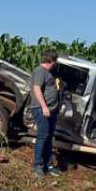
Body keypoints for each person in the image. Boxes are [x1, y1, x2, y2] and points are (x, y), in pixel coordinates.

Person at [30, 50, 61, 178]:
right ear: (51, 61)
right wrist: (44, 107)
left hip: (51, 110)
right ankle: (38, 166)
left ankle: (48, 165)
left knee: (48, 137)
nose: (55, 64)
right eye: (55, 62)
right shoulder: (39, 71)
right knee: (42, 136)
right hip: (41, 109)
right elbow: (36, 88)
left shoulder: (48, 73)